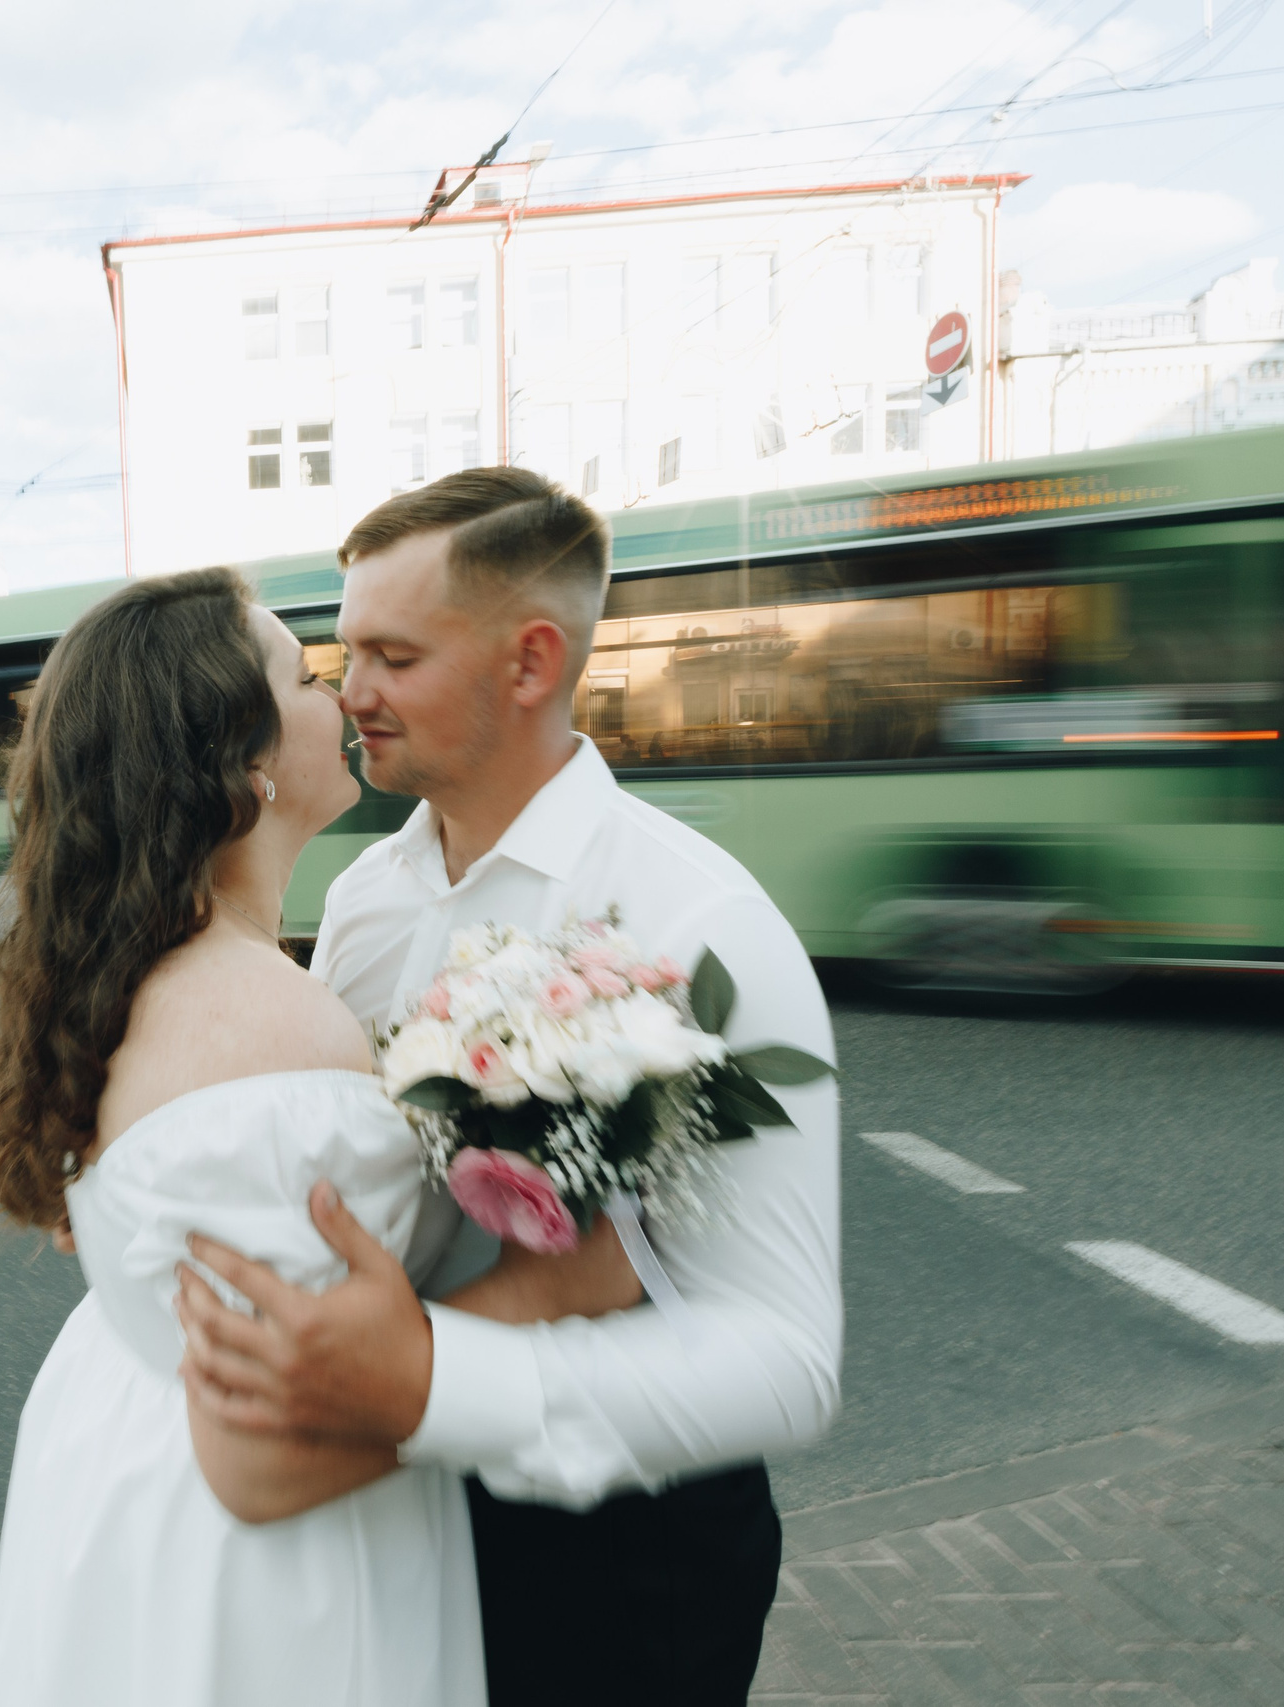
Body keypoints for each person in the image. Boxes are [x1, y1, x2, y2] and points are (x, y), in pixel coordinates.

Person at [174, 467, 843, 1704]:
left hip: (623, 1570)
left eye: (390, 655)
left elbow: (787, 1356)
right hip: (391, 1524)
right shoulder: (366, 899)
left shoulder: (702, 926)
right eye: (339, 652)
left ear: (529, 663)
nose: (347, 694)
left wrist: (434, 1379)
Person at [0, 568, 634, 1705]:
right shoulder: (266, 1032)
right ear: (245, 762)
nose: (350, 696)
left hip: (128, 1482)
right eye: (310, 674)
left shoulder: (141, 975)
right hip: (268, 1582)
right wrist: (545, 1290)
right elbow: (270, 1459)